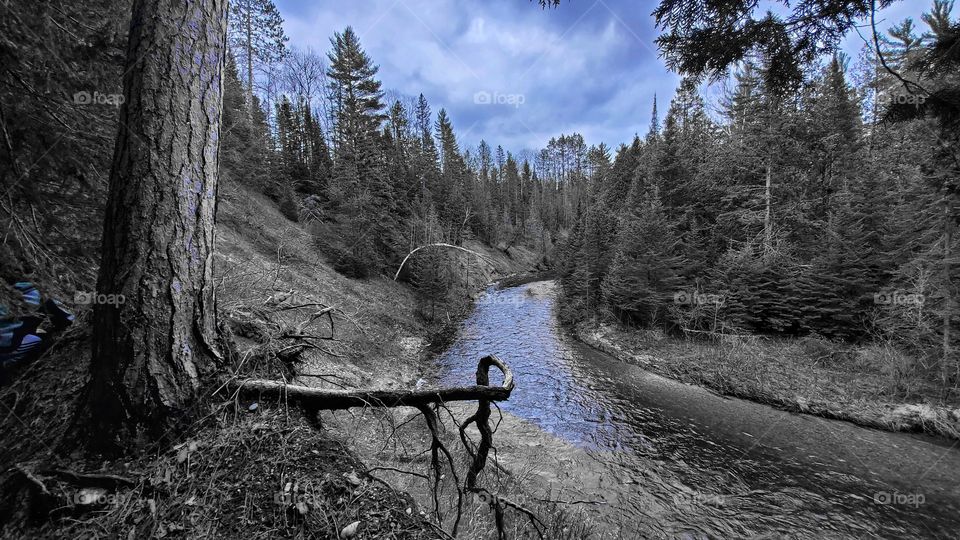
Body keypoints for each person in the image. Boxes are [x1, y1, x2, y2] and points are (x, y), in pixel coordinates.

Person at [0, 280, 75, 382]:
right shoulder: (40, 292)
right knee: (43, 337)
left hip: (5, 345)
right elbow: (68, 320)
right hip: (13, 345)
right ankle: (14, 356)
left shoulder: (5, 296)